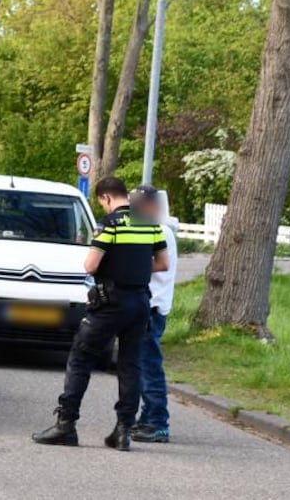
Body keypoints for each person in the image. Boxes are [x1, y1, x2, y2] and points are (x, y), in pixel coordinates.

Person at [32, 177, 168, 450]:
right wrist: (135, 270)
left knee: (80, 359)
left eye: (101, 202)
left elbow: (91, 265)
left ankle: (66, 424)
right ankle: (123, 431)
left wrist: (115, 268)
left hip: (109, 303)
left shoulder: (108, 225)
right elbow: (162, 263)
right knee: (130, 365)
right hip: (140, 302)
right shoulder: (149, 223)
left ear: (106, 198)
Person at [129, 185, 179, 443]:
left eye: (139, 204)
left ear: (152, 205)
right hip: (148, 305)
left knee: (149, 367)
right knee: (142, 366)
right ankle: (148, 416)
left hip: (153, 307)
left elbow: (153, 265)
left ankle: (158, 422)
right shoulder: (151, 229)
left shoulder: (160, 232)